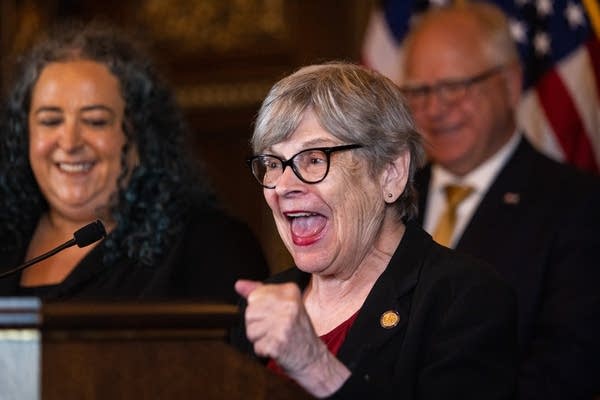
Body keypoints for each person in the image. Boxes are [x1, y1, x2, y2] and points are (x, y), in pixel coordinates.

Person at [230, 61, 517, 399]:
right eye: (274, 163)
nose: (283, 186)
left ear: (391, 173)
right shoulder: (263, 303)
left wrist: (314, 366)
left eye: (315, 159)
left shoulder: (462, 300)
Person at [399, 3, 600, 399]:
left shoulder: (579, 207)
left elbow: (567, 370)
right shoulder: (387, 200)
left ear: (509, 85)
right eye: (419, 91)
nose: (435, 109)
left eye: (454, 87)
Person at [0, 21, 269, 302]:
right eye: (50, 120)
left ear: (141, 133)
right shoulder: (7, 237)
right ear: (24, 134)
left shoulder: (211, 246)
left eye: (96, 121)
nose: (69, 143)